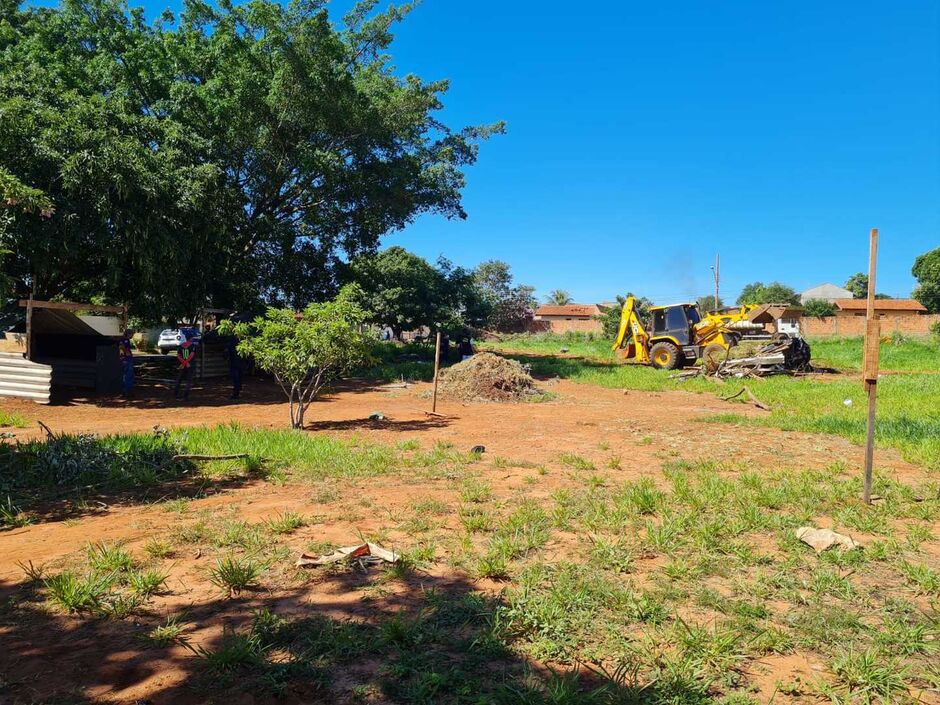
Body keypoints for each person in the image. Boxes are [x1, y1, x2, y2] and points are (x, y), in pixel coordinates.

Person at [174, 331, 198, 401]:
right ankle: (185, 396)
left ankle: (175, 393)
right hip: (190, 365)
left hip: (182, 365)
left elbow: (178, 355)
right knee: (189, 380)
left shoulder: (181, 346)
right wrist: (186, 362)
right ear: (191, 338)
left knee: (179, 379)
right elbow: (191, 355)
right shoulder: (193, 346)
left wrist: (183, 363)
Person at [224, 335, 244, 400]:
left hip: (234, 362)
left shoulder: (230, 343)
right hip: (240, 362)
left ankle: (236, 393)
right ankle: (238, 390)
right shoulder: (242, 343)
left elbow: (226, 353)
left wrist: (226, 358)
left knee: (236, 379)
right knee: (239, 378)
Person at [118, 329, 134, 398]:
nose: (132, 336)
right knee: (129, 375)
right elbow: (123, 348)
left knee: (124, 375)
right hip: (127, 359)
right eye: (131, 334)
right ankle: (128, 391)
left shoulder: (121, 340)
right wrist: (128, 354)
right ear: (128, 334)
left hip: (123, 359)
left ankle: (124, 391)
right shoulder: (126, 340)